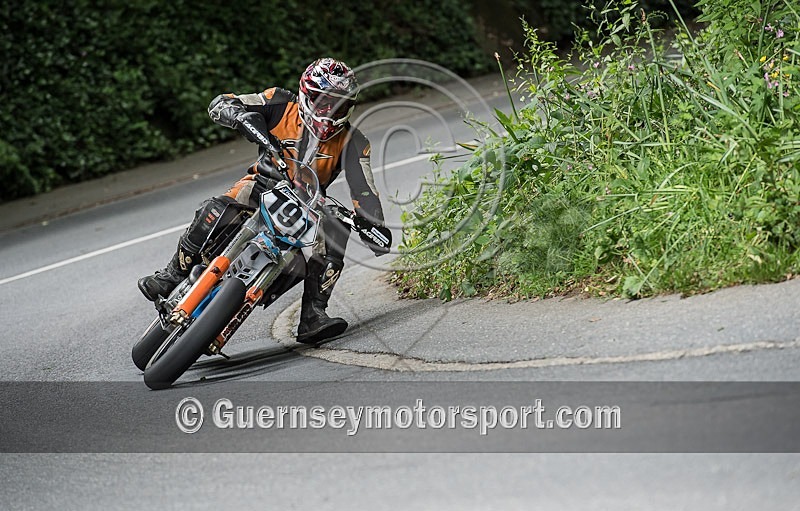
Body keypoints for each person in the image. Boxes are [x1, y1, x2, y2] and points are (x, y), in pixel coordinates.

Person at [138, 57, 390, 344]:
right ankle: (172, 274)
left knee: (337, 231)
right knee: (214, 208)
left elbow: (366, 193)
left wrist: (372, 224)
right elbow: (223, 102)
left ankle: (312, 315)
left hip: (307, 207)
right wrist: (239, 115)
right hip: (260, 185)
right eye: (324, 101)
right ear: (307, 93)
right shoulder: (279, 101)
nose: (330, 111)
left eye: (340, 103)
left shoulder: (355, 142)